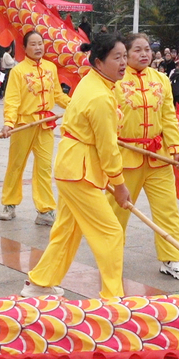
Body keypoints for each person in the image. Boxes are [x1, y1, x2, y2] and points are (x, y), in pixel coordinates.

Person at [21, 32, 131, 299]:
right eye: (117, 57)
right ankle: (113, 297)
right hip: (80, 171)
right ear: (98, 62)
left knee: (67, 230)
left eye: (124, 56)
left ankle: (40, 283)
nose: (123, 62)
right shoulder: (101, 97)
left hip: (74, 166)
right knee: (111, 232)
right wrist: (119, 185)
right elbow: (107, 149)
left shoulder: (93, 83)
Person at [107, 33, 179, 281]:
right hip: (125, 156)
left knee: (168, 210)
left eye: (148, 49)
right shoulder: (115, 81)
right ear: (125, 54)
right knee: (117, 210)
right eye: (137, 50)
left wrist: (177, 148)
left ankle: (171, 259)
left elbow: (168, 116)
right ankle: (110, 256)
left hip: (158, 157)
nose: (144, 54)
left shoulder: (161, 80)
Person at [0, 31, 71, 225]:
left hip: (45, 124)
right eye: (33, 44)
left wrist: (74, 104)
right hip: (24, 123)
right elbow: (12, 100)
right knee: (16, 164)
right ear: (25, 48)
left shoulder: (50, 68)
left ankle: (45, 209)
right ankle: (9, 203)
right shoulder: (18, 71)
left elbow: (58, 94)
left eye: (40, 43)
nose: (38, 47)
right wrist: (8, 123)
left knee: (45, 166)